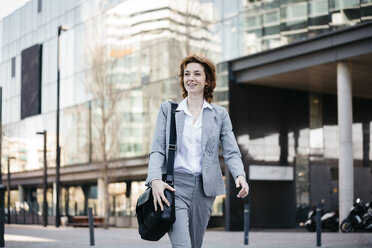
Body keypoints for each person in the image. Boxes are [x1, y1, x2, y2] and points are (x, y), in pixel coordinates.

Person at [145, 54, 249, 248]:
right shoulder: (169, 110)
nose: (190, 78)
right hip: (174, 186)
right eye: (186, 74)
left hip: (205, 189)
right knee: (182, 245)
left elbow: (231, 151)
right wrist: (155, 179)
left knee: (194, 245)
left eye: (197, 74)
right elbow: (158, 150)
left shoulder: (219, 115)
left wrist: (239, 175)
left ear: (207, 80)